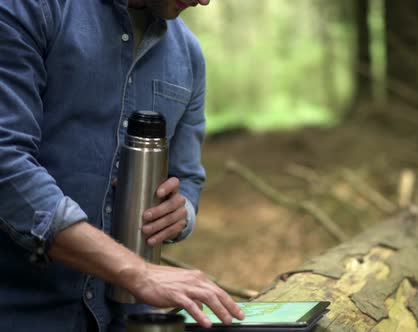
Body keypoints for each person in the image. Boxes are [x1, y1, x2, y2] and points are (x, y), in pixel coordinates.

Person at [0, 0, 245, 331]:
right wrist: (136, 271)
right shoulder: (32, 9)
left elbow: (187, 177)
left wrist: (181, 211)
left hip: (129, 319)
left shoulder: (189, 56)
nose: (206, 0)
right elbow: (7, 163)